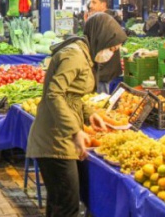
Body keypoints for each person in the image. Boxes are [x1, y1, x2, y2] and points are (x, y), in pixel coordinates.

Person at [27, 13, 127, 217]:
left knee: (59, 204)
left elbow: (72, 97)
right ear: (102, 38)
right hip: (55, 141)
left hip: (59, 137)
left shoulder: (84, 55)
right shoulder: (74, 56)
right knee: (67, 207)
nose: (111, 53)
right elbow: (55, 94)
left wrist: (90, 115)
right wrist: (74, 131)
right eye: (111, 48)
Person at [87, 0, 122, 94]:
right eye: (90, 3)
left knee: (102, 100)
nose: (90, 6)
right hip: (103, 69)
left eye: (94, 2)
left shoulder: (106, 20)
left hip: (105, 70)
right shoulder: (100, 18)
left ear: (103, 4)